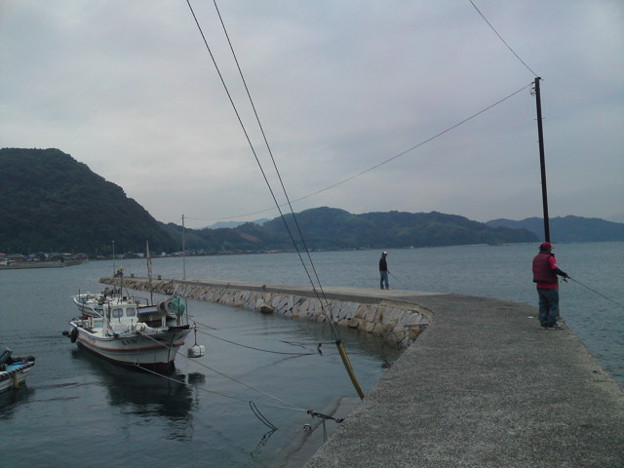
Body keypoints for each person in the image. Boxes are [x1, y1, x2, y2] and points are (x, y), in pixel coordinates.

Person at [532, 242, 569, 329]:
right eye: (550, 249)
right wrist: (564, 274)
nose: (550, 250)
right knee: (553, 305)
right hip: (550, 286)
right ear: (548, 249)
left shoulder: (536, 258)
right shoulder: (550, 258)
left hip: (539, 286)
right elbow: (555, 269)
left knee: (543, 305)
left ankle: (543, 323)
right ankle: (551, 323)